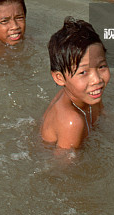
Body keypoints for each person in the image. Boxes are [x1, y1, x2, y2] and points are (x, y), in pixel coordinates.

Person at [41, 17, 110, 150]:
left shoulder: (88, 93)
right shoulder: (72, 122)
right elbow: (64, 168)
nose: (97, 80)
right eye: (83, 72)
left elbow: (104, 115)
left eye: (101, 67)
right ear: (60, 78)